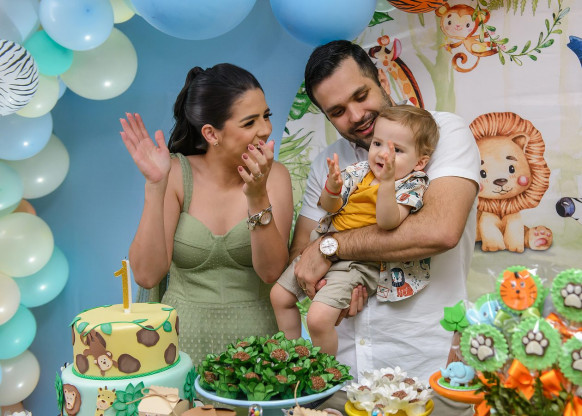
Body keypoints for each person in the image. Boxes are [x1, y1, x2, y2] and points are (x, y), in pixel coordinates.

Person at [291, 41, 480, 415]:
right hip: (344, 377)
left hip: (426, 370)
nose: (356, 115)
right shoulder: (328, 164)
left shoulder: (443, 133)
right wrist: (334, 284)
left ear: (379, 77)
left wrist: (333, 247)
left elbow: (438, 231)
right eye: (337, 111)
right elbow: (302, 258)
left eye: (361, 95)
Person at [119, 63, 294, 367]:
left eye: (266, 116)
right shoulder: (176, 173)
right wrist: (155, 186)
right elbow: (146, 275)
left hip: (258, 355)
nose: (265, 129)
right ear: (212, 133)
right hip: (179, 351)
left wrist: (257, 196)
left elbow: (271, 272)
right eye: (250, 122)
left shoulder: (275, 177)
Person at [271, 106, 439, 356]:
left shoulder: (411, 183)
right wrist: (332, 189)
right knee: (279, 296)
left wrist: (387, 183)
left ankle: (323, 372)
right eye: (377, 143)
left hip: (358, 263)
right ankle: (291, 359)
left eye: (396, 150)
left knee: (318, 319)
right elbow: (330, 207)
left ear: (420, 162)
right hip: (322, 246)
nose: (383, 154)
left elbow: (388, 222)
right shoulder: (360, 171)